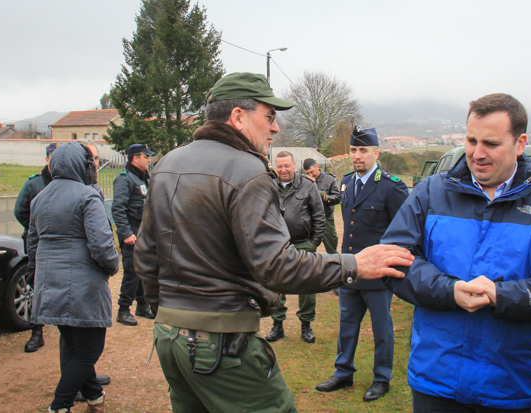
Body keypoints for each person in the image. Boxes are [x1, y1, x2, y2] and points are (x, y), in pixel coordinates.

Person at [134, 72, 413, 413]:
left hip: (169, 336)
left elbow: (146, 254)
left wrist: (169, 313)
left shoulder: (166, 164)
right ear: (238, 117)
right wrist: (355, 264)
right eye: (269, 116)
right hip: (220, 340)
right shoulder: (247, 171)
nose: (276, 128)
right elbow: (277, 266)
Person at [380, 93, 531, 412]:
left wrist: (504, 295)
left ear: (520, 143)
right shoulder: (431, 193)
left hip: (510, 383)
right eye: (471, 140)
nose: (477, 153)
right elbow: (393, 258)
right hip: (437, 379)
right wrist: (448, 290)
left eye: (491, 144)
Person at [316, 126, 408, 402]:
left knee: (382, 330)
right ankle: (343, 372)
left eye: (363, 151)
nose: (357, 156)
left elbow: (404, 231)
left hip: (379, 274)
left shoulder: (392, 186)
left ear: (376, 153)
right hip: (351, 271)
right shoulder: (345, 182)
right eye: (354, 150)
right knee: (347, 325)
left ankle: (382, 378)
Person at [28, 141, 120, 413]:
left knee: (75, 348)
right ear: (84, 165)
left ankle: (94, 396)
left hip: (50, 286)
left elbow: (32, 245)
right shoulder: (87, 196)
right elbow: (102, 245)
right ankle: (60, 405)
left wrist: (41, 275)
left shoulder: (39, 198)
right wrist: (111, 267)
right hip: (83, 286)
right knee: (89, 352)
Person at [264, 151, 325, 344]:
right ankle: (278, 325)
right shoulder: (269, 187)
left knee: (306, 287)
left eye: (287, 166)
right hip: (277, 246)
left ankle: (306, 324)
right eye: (279, 166)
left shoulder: (308, 186)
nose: (283, 170)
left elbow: (319, 216)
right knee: (276, 286)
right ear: (275, 166)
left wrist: (313, 243)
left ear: (294, 165)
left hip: (303, 244)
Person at [14, 142, 57, 353]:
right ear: (47, 159)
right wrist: (36, 228)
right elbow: (20, 210)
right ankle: (36, 331)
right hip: (38, 243)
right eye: (53, 158)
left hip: (59, 245)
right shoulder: (34, 184)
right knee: (36, 286)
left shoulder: (69, 182)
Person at [112, 143, 156, 326]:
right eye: (146, 157)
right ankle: (123, 309)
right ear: (135, 158)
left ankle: (142, 304)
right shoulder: (125, 179)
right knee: (131, 272)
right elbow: (118, 209)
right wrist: (126, 233)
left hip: (143, 230)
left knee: (143, 270)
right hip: (132, 230)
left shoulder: (142, 178)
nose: (149, 160)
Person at [303, 158, 341, 295]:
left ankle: (336, 281)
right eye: (308, 173)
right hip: (309, 220)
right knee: (308, 250)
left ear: (317, 167)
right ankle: (308, 280)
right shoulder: (304, 180)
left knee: (332, 250)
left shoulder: (329, 180)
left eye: (312, 172)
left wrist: (324, 197)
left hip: (326, 219)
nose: (310, 175)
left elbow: (337, 197)